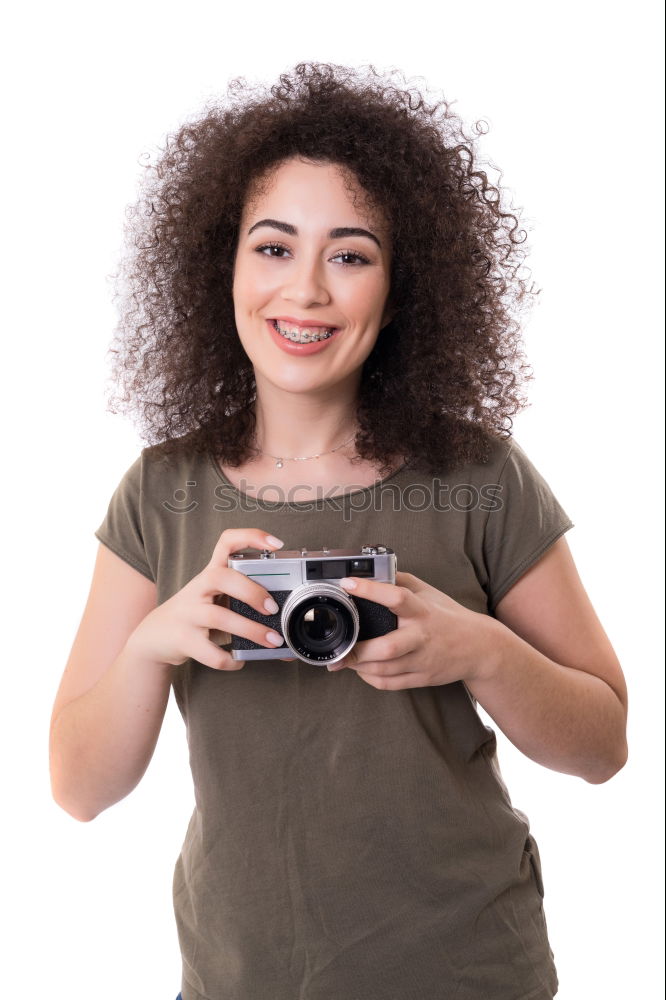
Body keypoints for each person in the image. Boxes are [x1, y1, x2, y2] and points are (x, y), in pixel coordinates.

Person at [48, 62, 629, 1000]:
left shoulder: (480, 478)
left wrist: (480, 652)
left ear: (401, 293)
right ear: (223, 266)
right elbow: (77, 789)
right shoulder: (160, 493)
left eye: (351, 255)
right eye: (273, 248)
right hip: (242, 977)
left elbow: (603, 745)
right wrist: (155, 644)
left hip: (469, 971)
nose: (307, 290)